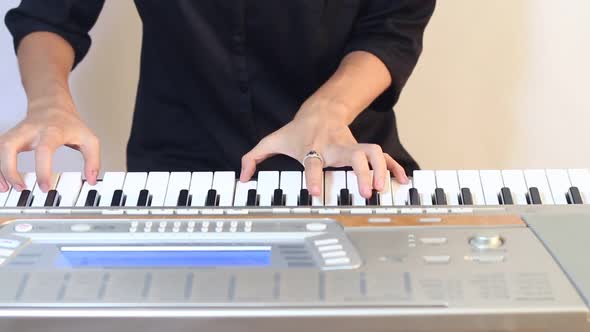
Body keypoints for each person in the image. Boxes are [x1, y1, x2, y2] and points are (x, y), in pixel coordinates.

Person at [0, 1, 435, 200]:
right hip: (177, 168)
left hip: (342, 164)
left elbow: (391, 29)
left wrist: (326, 111)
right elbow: (47, 16)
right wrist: (48, 103)